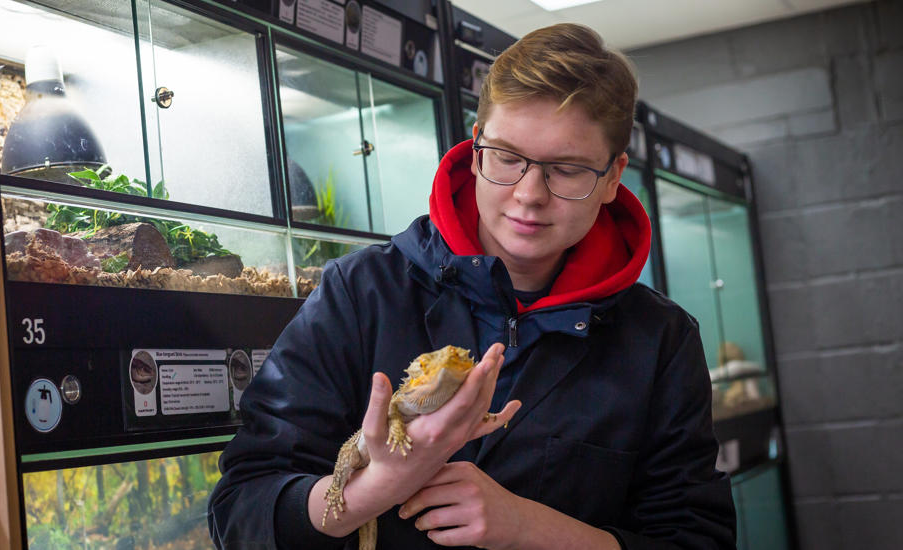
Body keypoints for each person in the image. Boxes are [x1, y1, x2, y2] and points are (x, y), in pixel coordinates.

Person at [209, 23, 736, 550]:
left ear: (613, 176)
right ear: (476, 144)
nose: (529, 194)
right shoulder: (360, 290)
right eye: (507, 157)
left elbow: (699, 539)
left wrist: (531, 528)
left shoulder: (660, 340)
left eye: (568, 169)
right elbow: (241, 508)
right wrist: (374, 489)